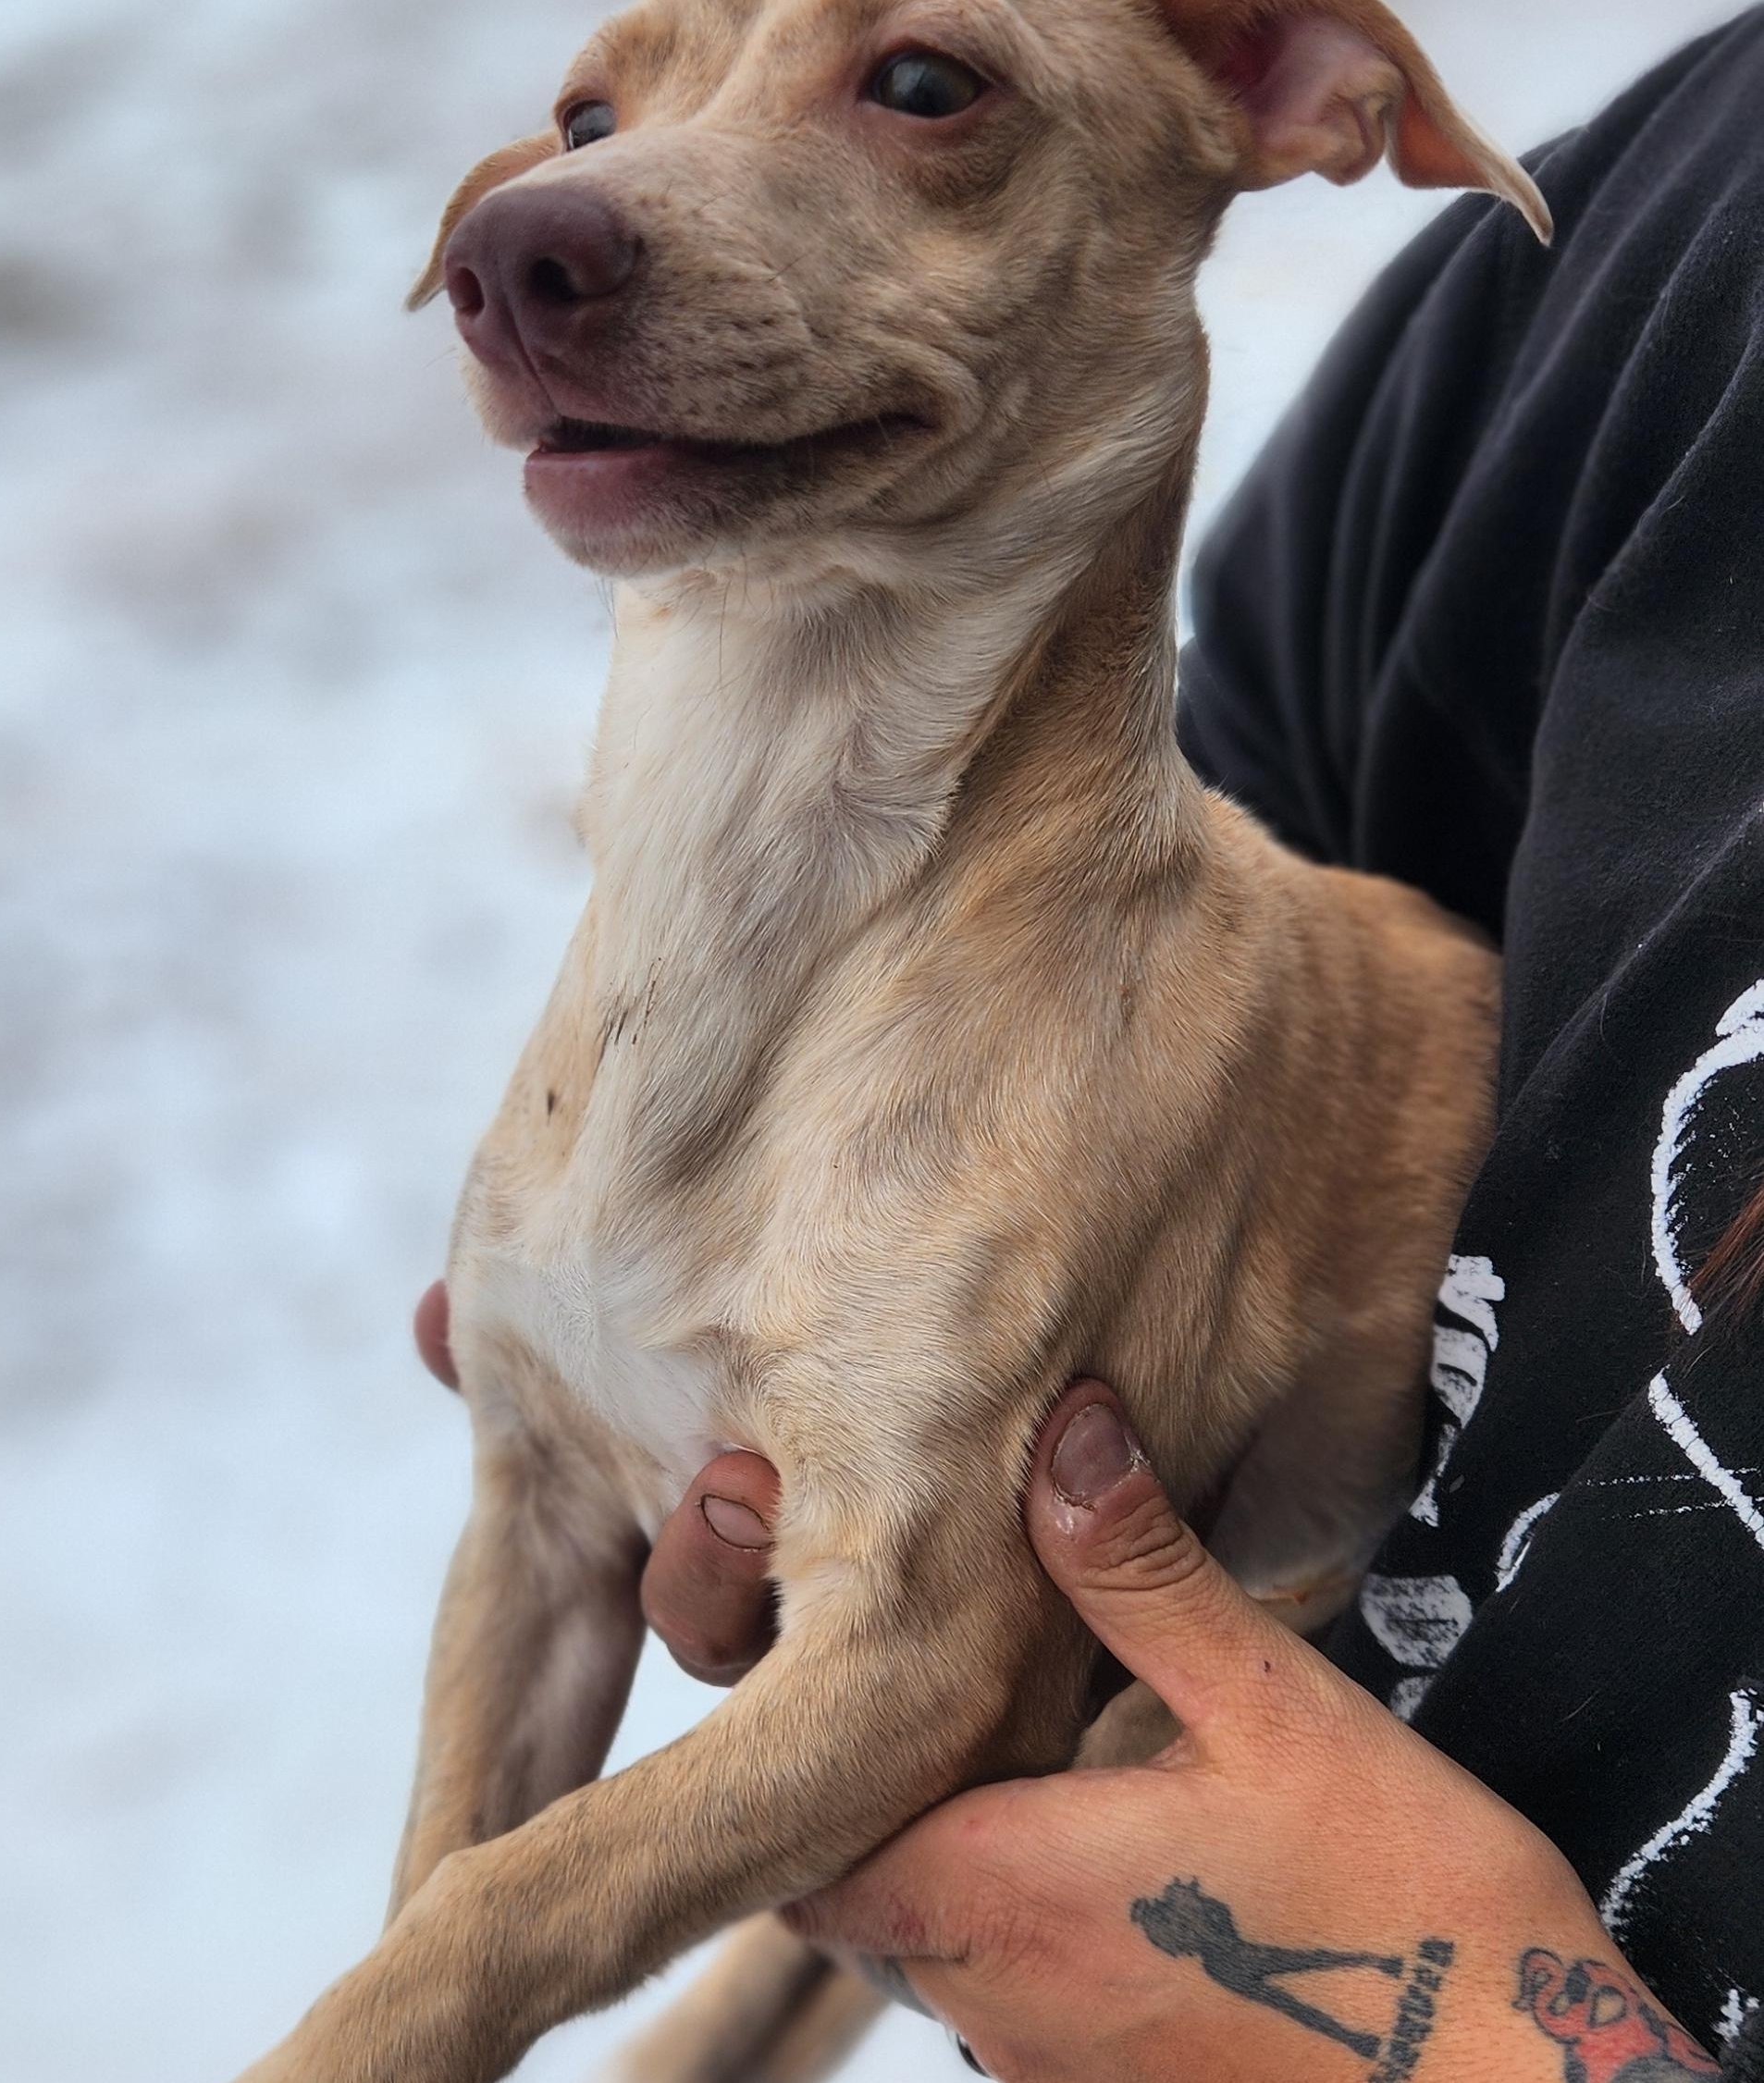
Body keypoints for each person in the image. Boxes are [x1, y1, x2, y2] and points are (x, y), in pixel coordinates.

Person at [413, 11, 1764, 2077]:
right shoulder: (1658, 254)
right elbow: (1146, 848)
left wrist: (1475, 2044)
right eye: (596, 122)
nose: (559, 218)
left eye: (924, 84)